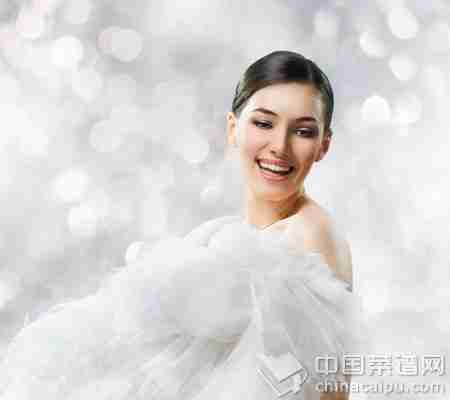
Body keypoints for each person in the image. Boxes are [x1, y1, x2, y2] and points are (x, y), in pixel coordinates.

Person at [0, 51, 368, 400]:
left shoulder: (311, 234)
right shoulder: (227, 236)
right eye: (263, 123)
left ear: (324, 144)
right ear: (233, 128)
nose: (279, 147)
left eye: (302, 131)